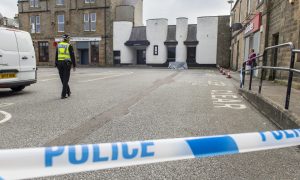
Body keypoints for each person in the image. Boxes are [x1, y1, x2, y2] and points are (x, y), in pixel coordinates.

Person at [55, 34, 76, 99]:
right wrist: (74, 65)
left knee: (62, 79)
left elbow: (56, 55)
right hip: (66, 64)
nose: (69, 40)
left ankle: (68, 91)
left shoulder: (58, 45)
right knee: (65, 79)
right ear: (67, 39)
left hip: (59, 63)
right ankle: (63, 95)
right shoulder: (69, 46)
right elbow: (72, 56)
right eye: (69, 38)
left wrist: (55, 63)